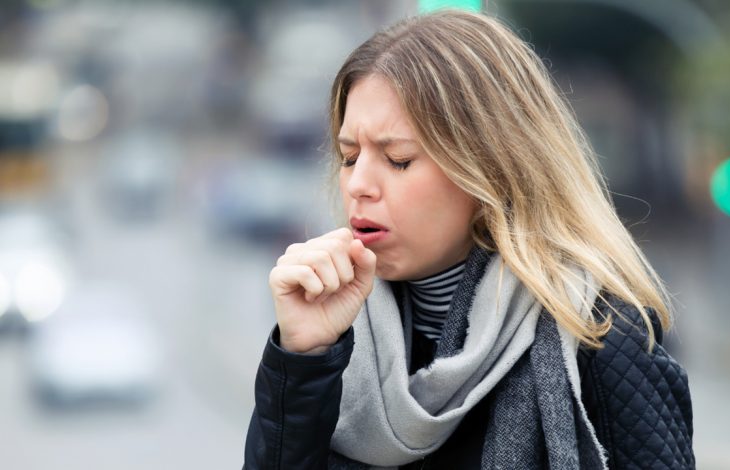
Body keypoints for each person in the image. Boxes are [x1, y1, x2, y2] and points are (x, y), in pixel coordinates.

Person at [243, 9, 694, 470]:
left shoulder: (602, 337)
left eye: (398, 159)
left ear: (490, 170)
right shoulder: (331, 337)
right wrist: (302, 359)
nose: (359, 184)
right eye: (350, 156)